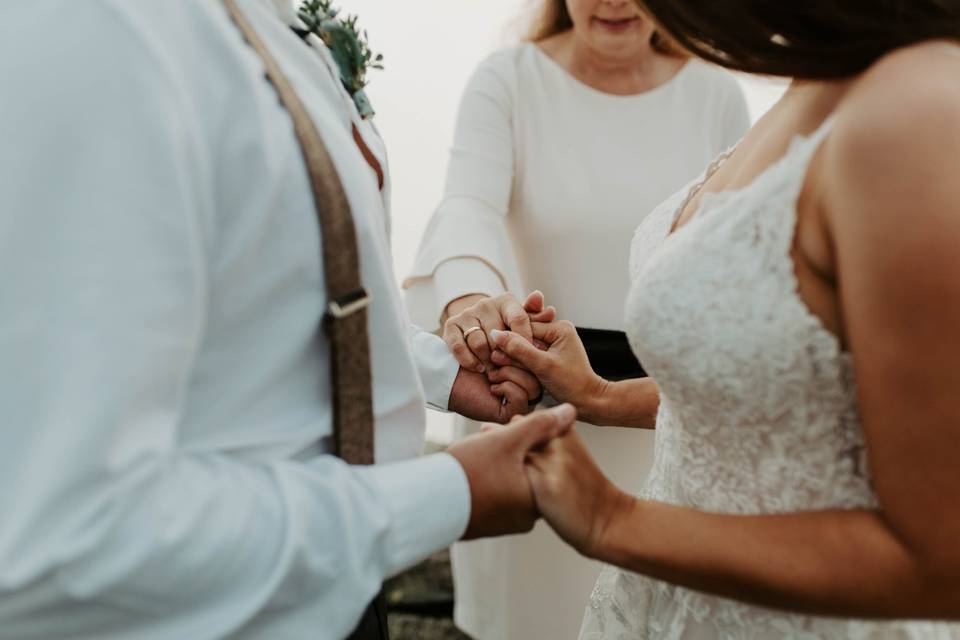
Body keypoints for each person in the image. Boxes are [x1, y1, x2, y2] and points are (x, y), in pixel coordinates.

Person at [0, 1, 573, 639]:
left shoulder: (264, 23)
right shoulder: (100, 30)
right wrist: (446, 495)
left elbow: (272, 294)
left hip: (333, 585)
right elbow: (61, 539)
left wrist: (441, 371)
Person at [485, 0, 960, 637]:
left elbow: (940, 563)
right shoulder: (809, 83)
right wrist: (599, 394)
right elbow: (792, 404)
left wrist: (612, 519)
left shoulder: (914, 106)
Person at [403, 0, 748, 636]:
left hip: (660, 425)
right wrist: (470, 302)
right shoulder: (508, 79)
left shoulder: (717, 94)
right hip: (530, 418)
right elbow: (467, 205)